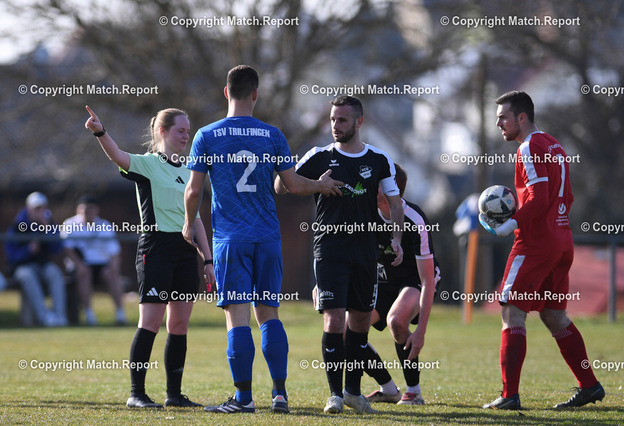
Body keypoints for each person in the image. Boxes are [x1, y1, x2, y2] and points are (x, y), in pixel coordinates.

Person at [183, 65, 342, 415]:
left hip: (231, 239)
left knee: (237, 317)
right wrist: (321, 185)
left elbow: (193, 190)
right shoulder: (273, 135)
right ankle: (280, 395)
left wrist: (188, 223)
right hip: (268, 238)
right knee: (269, 313)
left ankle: (243, 399)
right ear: (256, 94)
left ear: (226, 92)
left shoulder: (207, 135)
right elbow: (293, 184)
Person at [275, 95, 404, 415]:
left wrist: (397, 238)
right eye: (333, 119)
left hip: (366, 253)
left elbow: (395, 203)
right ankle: (334, 394)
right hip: (330, 251)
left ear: (359, 122)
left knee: (359, 322)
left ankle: (353, 392)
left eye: (342, 120)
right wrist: (316, 185)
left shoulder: (379, 159)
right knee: (334, 320)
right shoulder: (319, 156)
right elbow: (280, 185)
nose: (335, 125)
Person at [480, 91, 604, 410]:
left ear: (522, 117)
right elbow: (566, 197)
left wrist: (510, 224)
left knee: (511, 311)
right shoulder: (554, 145)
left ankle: (509, 395)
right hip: (561, 239)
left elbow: (538, 197)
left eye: (503, 117)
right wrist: (553, 224)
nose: (498, 124)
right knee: (554, 315)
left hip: (536, 244)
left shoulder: (528, 147)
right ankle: (589, 385)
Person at [85, 105, 214, 409]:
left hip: (185, 252)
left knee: (179, 324)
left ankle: (174, 395)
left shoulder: (190, 170)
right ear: (162, 131)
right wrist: (100, 132)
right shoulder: (147, 164)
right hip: (156, 249)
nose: (186, 136)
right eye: (180, 130)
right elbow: (118, 156)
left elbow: (195, 220)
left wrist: (208, 260)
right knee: (151, 322)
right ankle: (137, 394)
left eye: (188, 131)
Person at [362, 163, 440, 406]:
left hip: (415, 279)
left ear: (391, 189)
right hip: (383, 280)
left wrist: (421, 332)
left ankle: (413, 391)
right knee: (346, 331)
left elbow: (427, 280)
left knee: (396, 321)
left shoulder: (414, 219)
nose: (370, 187)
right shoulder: (366, 214)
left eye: (377, 183)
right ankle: (388, 389)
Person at [61, 194, 126, 325]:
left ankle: (120, 314)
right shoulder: (70, 224)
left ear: (97, 210)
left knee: (112, 274)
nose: (87, 212)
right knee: (84, 273)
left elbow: (115, 252)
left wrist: (114, 267)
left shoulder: (105, 225)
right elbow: (67, 249)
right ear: (78, 209)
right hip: (80, 265)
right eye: (84, 208)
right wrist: (79, 265)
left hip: (101, 265)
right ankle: (89, 314)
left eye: (91, 208)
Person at [5, 192, 67, 327]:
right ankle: (44, 316)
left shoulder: (49, 224)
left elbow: (57, 248)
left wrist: (47, 230)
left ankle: (60, 316)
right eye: (36, 208)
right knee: (27, 275)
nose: (40, 211)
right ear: (29, 209)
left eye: (42, 208)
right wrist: (28, 250)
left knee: (55, 273)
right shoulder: (17, 226)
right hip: (23, 267)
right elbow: (11, 255)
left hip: (43, 265)